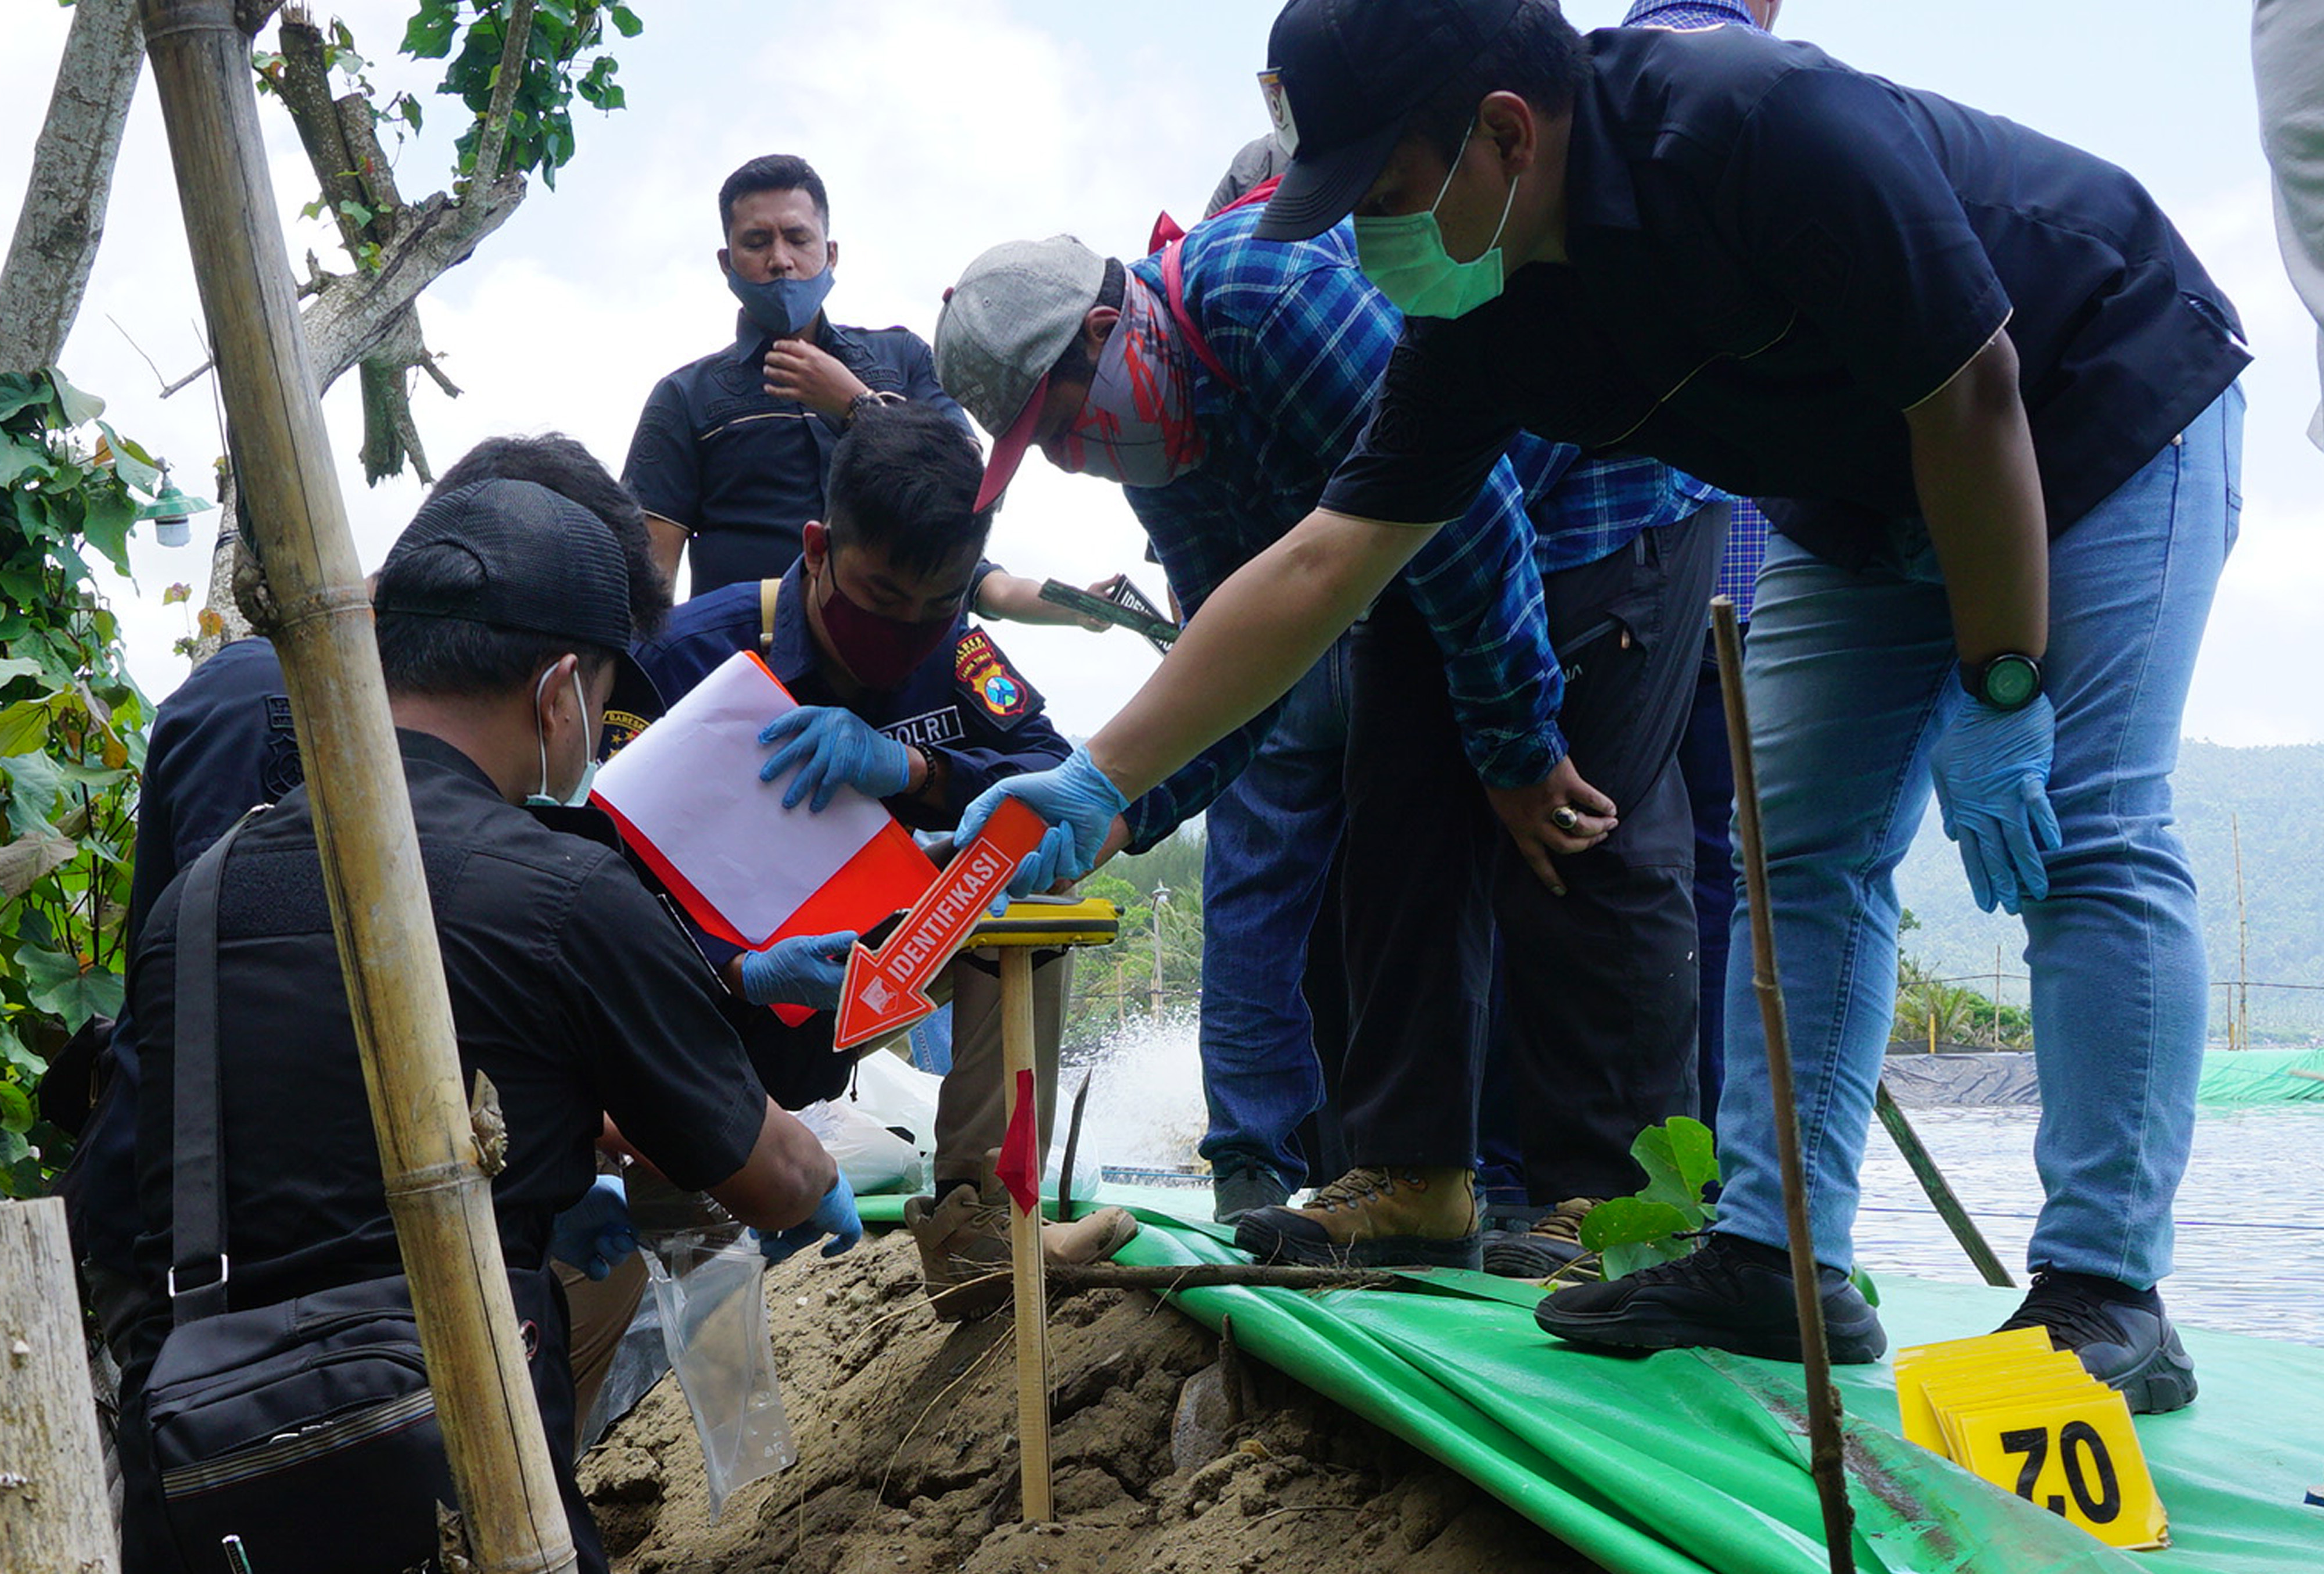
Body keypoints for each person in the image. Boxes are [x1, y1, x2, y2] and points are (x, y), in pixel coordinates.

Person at [967, 0, 2244, 1413]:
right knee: (1798, 857)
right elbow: (1331, 560)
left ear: (1503, 134)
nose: (1373, 239)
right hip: (1865, 485)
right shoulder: (1481, 301)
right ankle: (1774, 1255)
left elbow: (1973, 389)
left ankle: (2102, 1291)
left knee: (2087, 826)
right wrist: (1097, 779)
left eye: (1386, 195)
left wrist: (2001, 680)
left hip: (2084, 405)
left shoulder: (1757, 126)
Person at [935, 194, 1723, 1270]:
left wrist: (1522, 750)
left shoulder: (1268, 296)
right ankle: (1415, 1176)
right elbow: (1243, 669)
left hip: (1592, 478)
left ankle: (1616, 1196)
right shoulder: (1171, 454)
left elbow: (1471, 513)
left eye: (1062, 423)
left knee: (1581, 821)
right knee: (1396, 812)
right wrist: (1113, 810)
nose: (1075, 459)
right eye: (1045, 453)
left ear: (1108, 332)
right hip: (1416, 546)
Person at [112, 478, 858, 1571]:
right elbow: (773, 1176)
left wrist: (562, 1149)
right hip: (451, 1475)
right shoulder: (563, 891)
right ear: (560, 689)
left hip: (206, 1474)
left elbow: (297, 1131)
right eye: (600, 704)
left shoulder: (204, 896)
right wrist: (813, 1179)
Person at [66, 435, 691, 1436]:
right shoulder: (272, 706)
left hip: (281, 1224)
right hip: (221, 1242)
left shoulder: (407, 730)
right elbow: (269, 1018)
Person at [628, 403, 1136, 1319]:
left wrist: (914, 767)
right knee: (667, 1286)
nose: (905, 630)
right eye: (882, 597)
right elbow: (588, 881)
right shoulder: (686, 661)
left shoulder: (954, 648)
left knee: (1035, 856)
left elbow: (1055, 774)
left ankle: (978, 1221)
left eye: (935, 603)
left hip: (873, 974)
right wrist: (734, 971)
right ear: (818, 547)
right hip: (704, 1010)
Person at [622, 153, 966, 597]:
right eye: (757, 242)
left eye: (798, 238)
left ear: (831, 253)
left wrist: (856, 407)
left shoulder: (903, 358)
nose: (780, 260)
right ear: (727, 263)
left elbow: (970, 490)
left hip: (903, 642)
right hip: (746, 653)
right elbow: (646, 587)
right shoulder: (686, 397)